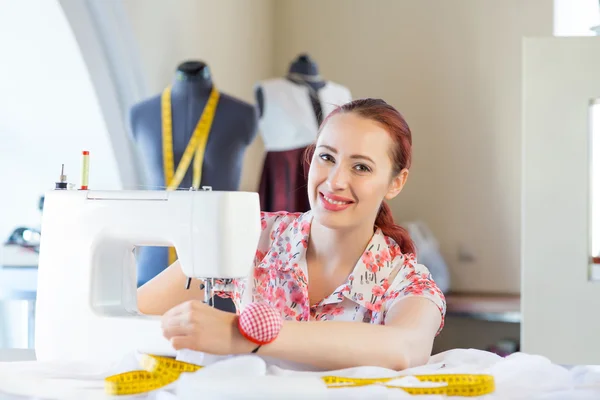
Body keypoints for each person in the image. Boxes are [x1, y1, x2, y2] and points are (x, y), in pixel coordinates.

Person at [137, 98, 447, 372]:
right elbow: (136, 310)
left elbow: (403, 347)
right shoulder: (250, 237)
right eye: (326, 157)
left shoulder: (406, 281)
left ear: (396, 182)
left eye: (361, 167)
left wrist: (245, 335)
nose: (336, 181)